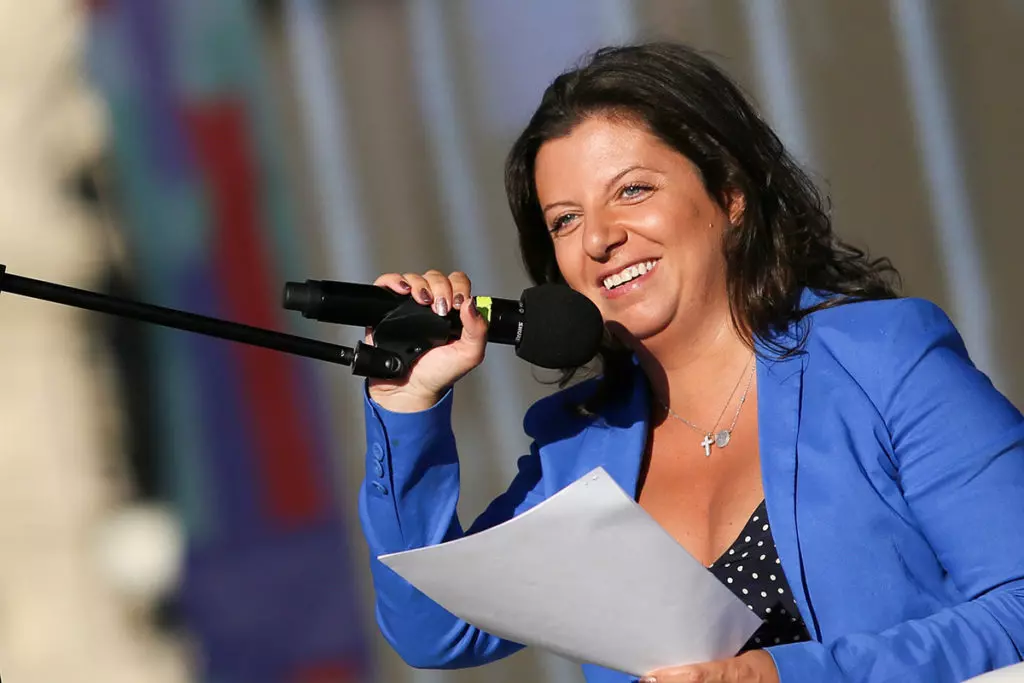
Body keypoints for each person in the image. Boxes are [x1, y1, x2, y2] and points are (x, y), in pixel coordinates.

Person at [356, 42, 1024, 683]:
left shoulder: (881, 360)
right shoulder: (577, 450)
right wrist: (406, 403)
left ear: (730, 195)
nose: (599, 238)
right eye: (565, 220)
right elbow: (433, 628)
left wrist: (785, 676)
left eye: (633, 190)